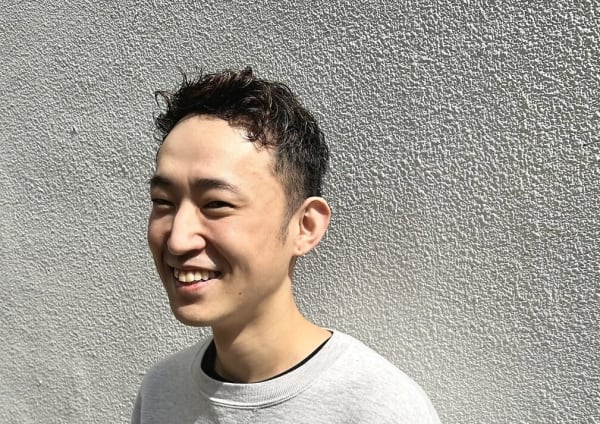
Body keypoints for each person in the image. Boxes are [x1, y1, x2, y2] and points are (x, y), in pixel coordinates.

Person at [132, 67, 440, 423]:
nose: (177, 238)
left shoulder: (380, 408)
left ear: (305, 226)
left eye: (216, 203)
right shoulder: (161, 390)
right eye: (163, 201)